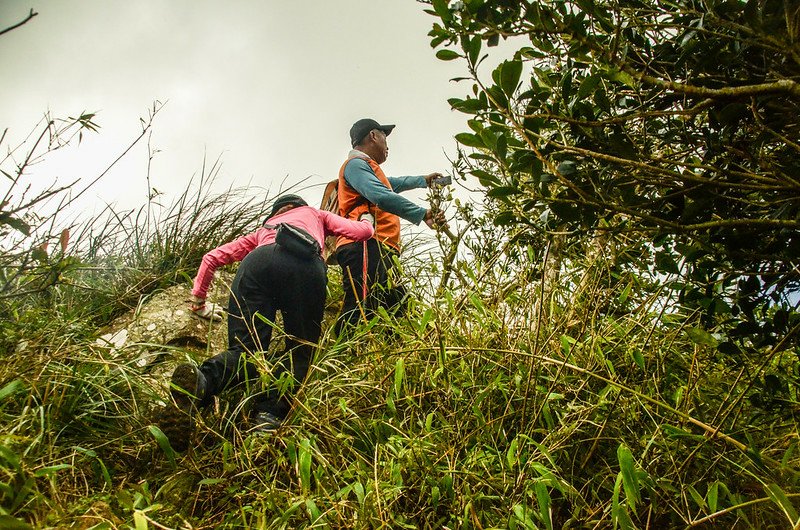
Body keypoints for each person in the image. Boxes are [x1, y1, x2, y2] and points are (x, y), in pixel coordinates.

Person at [160, 194, 374, 451]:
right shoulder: (315, 214)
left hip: (257, 262)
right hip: (305, 264)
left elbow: (211, 258)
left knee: (246, 351)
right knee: (300, 349)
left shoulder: (262, 230)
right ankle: (268, 418)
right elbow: (362, 233)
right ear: (300, 207)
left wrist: (199, 303)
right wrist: (367, 219)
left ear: (275, 214)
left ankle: (201, 382)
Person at [334, 118, 446, 334]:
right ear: (373, 136)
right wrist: (422, 214)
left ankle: (398, 360)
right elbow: (381, 195)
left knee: (397, 309)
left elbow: (394, 183)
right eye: (384, 136)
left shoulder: (369, 170)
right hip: (365, 245)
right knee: (359, 308)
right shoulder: (355, 165)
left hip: (381, 249)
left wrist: (424, 180)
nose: (388, 144)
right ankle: (338, 359)